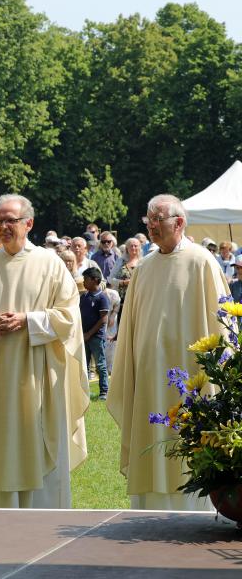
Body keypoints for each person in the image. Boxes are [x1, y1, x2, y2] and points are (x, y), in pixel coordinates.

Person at [0, 194, 89, 508]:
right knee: (0, 450)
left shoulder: (50, 264)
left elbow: (69, 316)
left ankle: (44, 523)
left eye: (11, 220)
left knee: (39, 444)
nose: (4, 226)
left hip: (38, 376)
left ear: (29, 223)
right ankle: (1, 523)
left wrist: (28, 320)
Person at [107, 194, 229, 511]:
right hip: (150, 381)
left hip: (191, 379)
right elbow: (131, 326)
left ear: (179, 222)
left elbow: (221, 325)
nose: (152, 227)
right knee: (151, 441)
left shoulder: (202, 262)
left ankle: (193, 512)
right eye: (149, 220)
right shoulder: (144, 268)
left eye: (158, 220)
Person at [80, 267, 110, 400]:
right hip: (84, 337)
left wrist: (89, 334)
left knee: (100, 365)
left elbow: (103, 319)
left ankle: (104, 392)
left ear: (95, 280)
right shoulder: (84, 297)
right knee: (84, 365)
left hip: (96, 337)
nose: (83, 282)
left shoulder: (102, 298)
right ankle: (85, 392)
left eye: (86, 279)